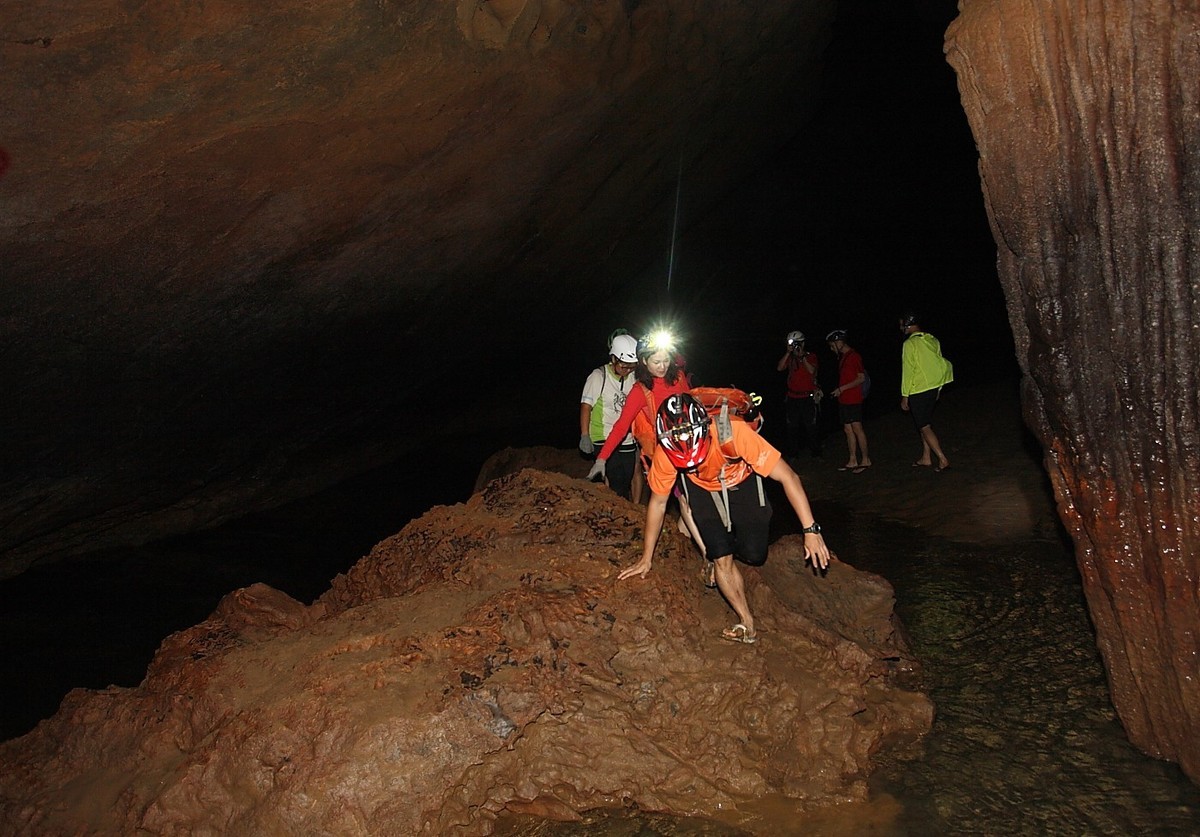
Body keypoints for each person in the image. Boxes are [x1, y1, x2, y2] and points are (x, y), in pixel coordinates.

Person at [617, 393, 833, 644]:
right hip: (699, 487)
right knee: (721, 556)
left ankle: (721, 544)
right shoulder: (667, 453)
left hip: (740, 478)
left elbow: (788, 477)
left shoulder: (733, 432)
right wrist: (646, 558)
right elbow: (658, 503)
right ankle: (746, 621)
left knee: (755, 554)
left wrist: (811, 530)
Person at [587, 330, 690, 483]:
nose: (662, 367)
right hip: (665, 453)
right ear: (644, 361)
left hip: (691, 445)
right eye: (656, 362)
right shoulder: (639, 391)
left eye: (666, 360)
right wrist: (601, 459)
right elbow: (622, 426)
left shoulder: (679, 377)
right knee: (674, 496)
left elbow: (692, 407)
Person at [579, 332, 640, 499]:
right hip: (602, 435)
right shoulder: (599, 376)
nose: (627, 370)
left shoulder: (634, 377)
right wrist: (585, 435)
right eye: (623, 366)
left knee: (627, 477)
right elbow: (586, 406)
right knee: (616, 481)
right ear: (613, 359)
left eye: (631, 366)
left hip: (626, 438)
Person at [899, 311, 954, 471]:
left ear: (908, 324)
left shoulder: (909, 344)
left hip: (919, 389)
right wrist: (939, 389)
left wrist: (905, 395)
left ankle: (942, 459)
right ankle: (926, 457)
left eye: (902, 324)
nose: (901, 327)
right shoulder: (932, 339)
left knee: (924, 426)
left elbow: (908, 370)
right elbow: (939, 365)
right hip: (933, 387)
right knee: (925, 422)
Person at [826, 329, 871, 473]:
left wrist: (842, 388)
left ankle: (865, 459)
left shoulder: (854, 356)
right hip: (844, 399)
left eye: (832, 345)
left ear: (839, 342)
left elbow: (861, 378)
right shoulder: (843, 357)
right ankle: (853, 460)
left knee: (857, 428)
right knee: (848, 429)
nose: (831, 348)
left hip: (853, 398)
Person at [776, 330, 822, 458]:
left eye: (798, 343)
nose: (796, 346)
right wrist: (788, 352)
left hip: (807, 397)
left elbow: (812, 371)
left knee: (811, 426)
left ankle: (816, 452)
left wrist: (802, 357)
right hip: (792, 398)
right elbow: (779, 368)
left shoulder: (810, 356)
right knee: (792, 427)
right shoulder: (790, 358)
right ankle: (793, 453)